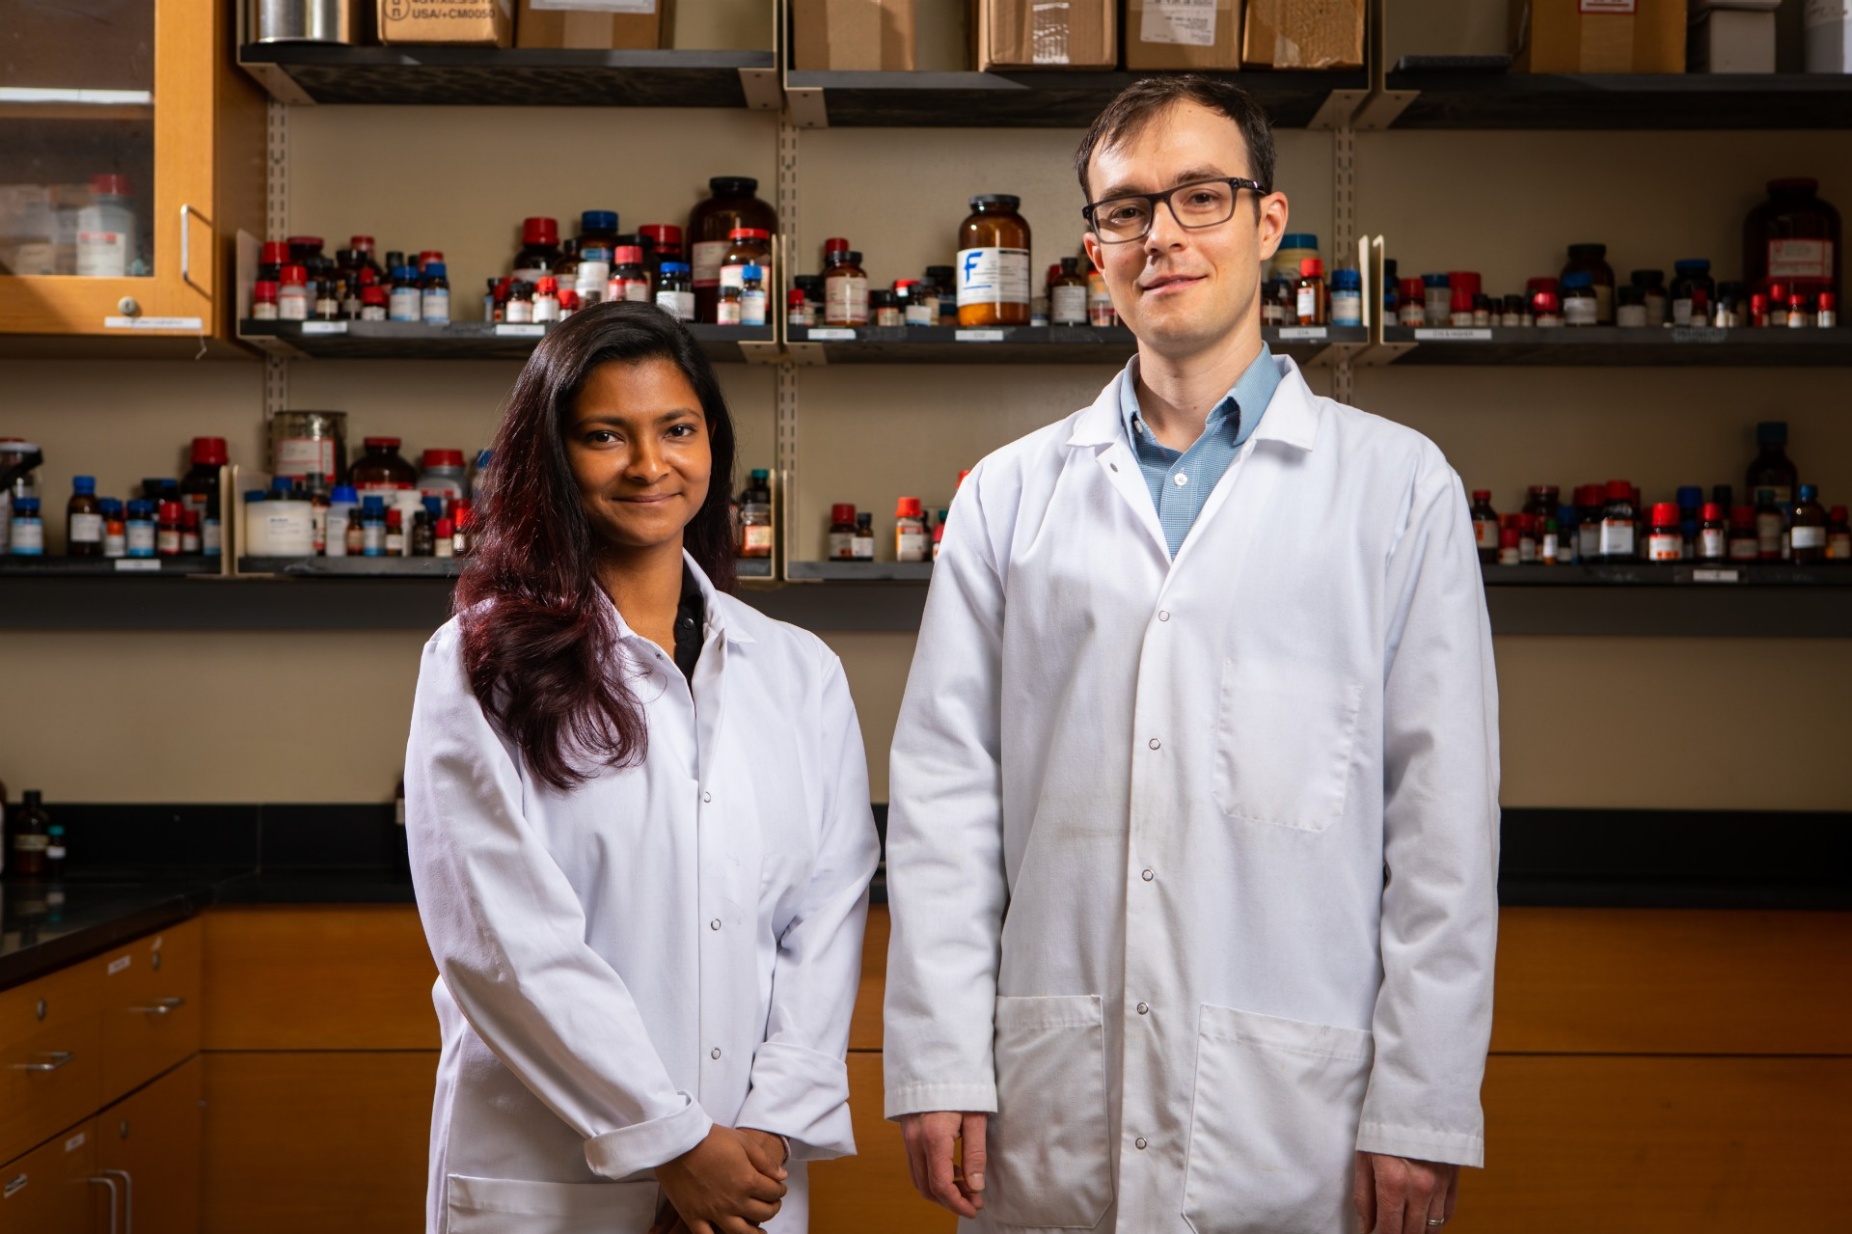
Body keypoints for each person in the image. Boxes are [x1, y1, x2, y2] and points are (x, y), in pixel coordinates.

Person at [883, 76, 1500, 1234]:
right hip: (1053, 1099)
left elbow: (1443, 826)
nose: (1161, 234)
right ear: (1093, 250)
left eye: (1200, 197)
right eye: (1126, 210)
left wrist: (1421, 1101)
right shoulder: (1010, 497)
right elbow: (944, 805)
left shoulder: (1395, 487)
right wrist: (939, 1060)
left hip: (1295, 1110)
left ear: (1266, 224)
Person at [405, 301, 879, 1234]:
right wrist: (667, 1140)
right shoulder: (478, 663)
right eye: (604, 436)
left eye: (677, 429)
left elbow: (825, 923)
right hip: (555, 1179)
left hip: (748, 1178)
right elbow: (503, 944)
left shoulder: (798, 671)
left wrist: (763, 1135)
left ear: (713, 443)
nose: (650, 465)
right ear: (552, 458)